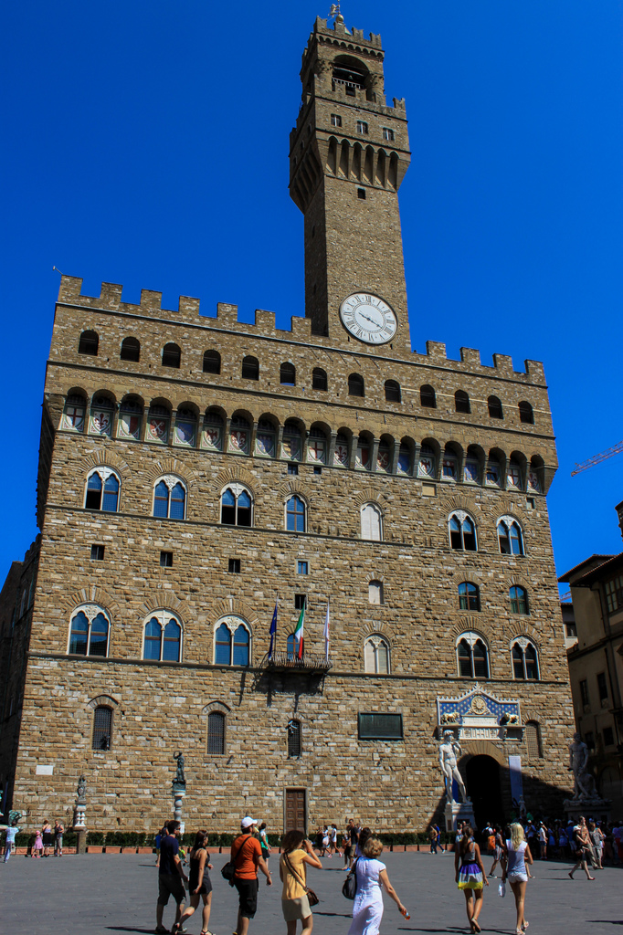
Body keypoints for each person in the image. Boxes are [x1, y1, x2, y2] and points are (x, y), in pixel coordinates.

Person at [347, 836, 407, 935]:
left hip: (360, 900)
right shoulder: (379, 866)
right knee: (372, 929)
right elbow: (389, 888)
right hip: (374, 900)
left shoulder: (357, 862)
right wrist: (398, 902)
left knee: (358, 930)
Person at [231, 816, 272, 935]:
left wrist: (232, 877)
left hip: (238, 877)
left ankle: (238, 930)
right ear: (250, 828)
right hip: (249, 878)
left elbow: (232, 860)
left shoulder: (236, 841)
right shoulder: (254, 842)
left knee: (242, 903)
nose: (254, 828)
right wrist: (268, 876)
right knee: (248, 908)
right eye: (253, 826)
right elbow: (260, 861)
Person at [279, 829, 322, 935]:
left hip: (286, 896)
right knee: (308, 926)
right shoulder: (300, 853)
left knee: (291, 930)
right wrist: (311, 850)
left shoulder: (282, 856)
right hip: (299, 894)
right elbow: (319, 865)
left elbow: (282, 878)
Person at [173, 830, 213, 935]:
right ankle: (205, 930)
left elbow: (193, 865)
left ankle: (179, 922)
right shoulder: (203, 852)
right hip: (203, 879)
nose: (208, 840)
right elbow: (200, 868)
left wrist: (206, 864)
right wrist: (200, 884)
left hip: (193, 879)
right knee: (207, 904)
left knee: (193, 905)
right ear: (203, 840)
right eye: (206, 838)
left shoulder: (193, 851)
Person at [155, 819, 188, 934]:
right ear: (175, 830)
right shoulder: (174, 842)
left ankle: (159, 925)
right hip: (172, 874)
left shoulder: (163, 840)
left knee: (162, 900)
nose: (180, 831)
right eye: (179, 829)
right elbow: (176, 858)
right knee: (181, 898)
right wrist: (182, 874)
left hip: (162, 873)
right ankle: (177, 924)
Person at [455, 823, 488, 934]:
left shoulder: (459, 845)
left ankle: (472, 928)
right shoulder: (475, 845)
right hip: (474, 870)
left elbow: (456, 862)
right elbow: (480, 862)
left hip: (463, 871)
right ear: (471, 834)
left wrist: (456, 874)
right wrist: (484, 876)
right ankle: (475, 918)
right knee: (479, 897)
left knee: (469, 900)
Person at [501, 822, 533, 935]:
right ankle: (518, 927)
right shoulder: (524, 845)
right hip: (521, 874)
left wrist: (503, 874)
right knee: (521, 900)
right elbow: (531, 861)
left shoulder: (507, 844)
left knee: (517, 898)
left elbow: (504, 860)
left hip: (511, 874)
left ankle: (524, 922)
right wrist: (523, 857)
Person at [569, 817, 595, 881]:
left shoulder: (582, 830)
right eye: (583, 820)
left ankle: (571, 873)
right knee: (584, 862)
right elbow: (580, 841)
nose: (579, 831)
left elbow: (585, 838)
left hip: (582, 847)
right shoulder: (577, 833)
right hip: (579, 848)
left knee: (579, 863)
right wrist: (585, 845)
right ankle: (588, 876)